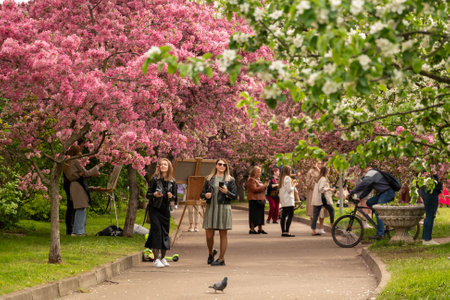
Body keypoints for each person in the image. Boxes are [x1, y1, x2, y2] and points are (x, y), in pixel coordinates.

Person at [201, 159, 238, 266]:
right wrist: (205, 195)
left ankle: (221, 259)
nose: (222, 166)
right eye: (220, 164)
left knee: (223, 234)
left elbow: (234, 196)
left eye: (224, 165)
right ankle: (211, 252)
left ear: (226, 167)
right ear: (216, 165)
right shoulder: (209, 179)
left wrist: (227, 192)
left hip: (223, 207)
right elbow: (201, 194)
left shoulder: (230, 179)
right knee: (209, 235)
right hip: (211, 207)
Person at [62, 145, 102, 236]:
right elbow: (86, 173)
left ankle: (78, 230)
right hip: (78, 186)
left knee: (78, 208)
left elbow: (80, 174)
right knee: (81, 207)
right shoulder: (76, 161)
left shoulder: (67, 162)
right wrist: (98, 167)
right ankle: (78, 231)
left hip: (74, 185)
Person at [145, 158, 178, 268]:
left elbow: (175, 197)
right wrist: (154, 194)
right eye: (161, 165)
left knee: (165, 233)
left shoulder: (172, 181)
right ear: (158, 167)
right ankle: (156, 259)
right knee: (157, 232)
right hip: (154, 209)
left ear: (169, 167)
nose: (163, 166)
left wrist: (171, 196)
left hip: (165, 210)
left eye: (165, 165)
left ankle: (163, 258)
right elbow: (147, 194)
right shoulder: (154, 179)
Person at [348, 166, 396, 240]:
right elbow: (368, 189)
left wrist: (352, 192)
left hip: (388, 193)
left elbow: (363, 184)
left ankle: (380, 234)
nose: (363, 171)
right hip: (383, 193)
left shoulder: (372, 172)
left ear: (367, 167)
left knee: (378, 212)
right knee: (369, 202)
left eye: (363, 168)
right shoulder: (372, 174)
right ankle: (381, 222)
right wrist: (360, 197)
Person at [305, 160, 328, 234]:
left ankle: (321, 228)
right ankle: (313, 228)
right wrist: (314, 184)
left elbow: (325, 180)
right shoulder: (310, 172)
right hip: (312, 193)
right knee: (313, 212)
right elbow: (307, 183)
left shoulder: (322, 171)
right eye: (318, 163)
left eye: (321, 163)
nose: (320, 164)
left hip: (321, 193)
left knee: (322, 211)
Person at [311, 166, 335, 235]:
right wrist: (329, 189)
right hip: (322, 199)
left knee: (315, 215)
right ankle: (332, 225)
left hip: (317, 199)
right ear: (326, 172)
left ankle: (313, 230)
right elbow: (321, 189)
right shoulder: (323, 179)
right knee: (331, 210)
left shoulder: (318, 178)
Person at [420, 174, 443, 245]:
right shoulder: (433, 167)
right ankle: (427, 239)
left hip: (425, 190)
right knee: (430, 215)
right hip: (431, 191)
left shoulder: (424, 168)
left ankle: (425, 238)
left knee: (429, 215)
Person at [247, 166, 269, 234]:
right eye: (258, 172)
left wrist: (265, 186)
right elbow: (254, 189)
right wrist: (264, 186)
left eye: (260, 172)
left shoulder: (258, 180)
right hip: (254, 200)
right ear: (254, 172)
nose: (259, 173)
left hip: (260, 199)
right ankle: (252, 230)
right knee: (254, 215)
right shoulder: (251, 180)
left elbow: (261, 188)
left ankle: (260, 229)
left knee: (260, 215)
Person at [279, 166, 296, 237]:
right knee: (290, 215)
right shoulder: (288, 178)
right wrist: (294, 185)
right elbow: (289, 189)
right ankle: (287, 231)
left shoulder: (282, 178)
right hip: (289, 199)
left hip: (283, 200)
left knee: (283, 216)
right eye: (290, 171)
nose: (291, 172)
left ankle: (283, 231)